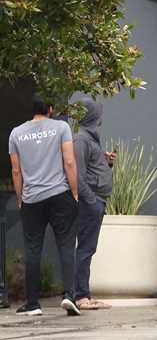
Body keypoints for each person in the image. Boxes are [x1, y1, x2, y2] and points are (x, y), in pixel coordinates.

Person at [9, 95, 81, 316]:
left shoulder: (16, 133)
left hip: (32, 199)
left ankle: (33, 304)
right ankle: (70, 296)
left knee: (32, 250)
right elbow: (69, 161)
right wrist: (75, 192)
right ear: (50, 109)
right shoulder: (61, 127)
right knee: (67, 246)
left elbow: (16, 171)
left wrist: (20, 198)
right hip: (60, 194)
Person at [71, 101, 115, 311]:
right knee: (86, 248)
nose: (102, 118)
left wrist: (107, 162)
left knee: (88, 248)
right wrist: (91, 201)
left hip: (96, 200)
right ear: (92, 117)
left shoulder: (90, 139)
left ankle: (83, 295)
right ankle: (81, 297)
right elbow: (78, 176)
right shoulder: (81, 139)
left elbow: (91, 169)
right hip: (92, 202)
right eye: (99, 114)